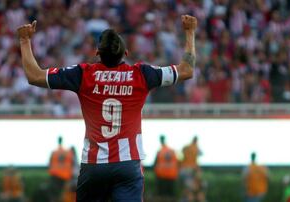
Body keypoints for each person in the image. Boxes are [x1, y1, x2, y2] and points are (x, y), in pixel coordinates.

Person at [17, 14, 197, 201]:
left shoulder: (83, 74)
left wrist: (24, 40)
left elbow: (35, 76)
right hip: (128, 163)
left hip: (94, 165)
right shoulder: (142, 74)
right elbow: (187, 70)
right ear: (125, 54)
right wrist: (190, 32)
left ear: (97, 53)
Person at [153, 135, 179, 201]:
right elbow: (178, 163)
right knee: (171, 195)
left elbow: (155, 164)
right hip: (172, 176)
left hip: (162, 176)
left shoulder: (159, 152)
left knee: (162, 195)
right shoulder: (172, 151)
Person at [48, 137, 74, 201]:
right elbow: (72, 163)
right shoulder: (68, 152)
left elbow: (50, 163)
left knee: (54, 195)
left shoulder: (54, 152)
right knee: (64, 194)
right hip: (65, 176)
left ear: (58, 141)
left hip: (55, 175)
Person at [180, 136, 202, 201]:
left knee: (186, 187)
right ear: (196, 141)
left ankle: (183, 199)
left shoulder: (186, 147)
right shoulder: (196, 147)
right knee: (191, 188)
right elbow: (201, 153)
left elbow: (181, 152)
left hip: (183, 169)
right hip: (191, 170)